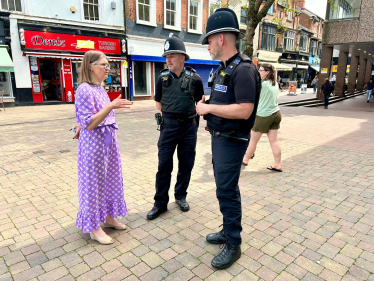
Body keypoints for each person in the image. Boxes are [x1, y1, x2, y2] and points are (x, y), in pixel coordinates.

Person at [196, 8, 261, 270]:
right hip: (221, 139)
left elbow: (245, 109)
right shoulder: (225, 69)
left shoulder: (243, 69)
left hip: (232, 141)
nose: (208, 46)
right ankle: (228, 231)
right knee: (224, 189)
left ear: (221, 39)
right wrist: (211, 102)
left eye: (209, 41)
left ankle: (233, 243)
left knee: (227, 190)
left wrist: (209, 109)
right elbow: (229, 101)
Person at [72, 50, 133, 244]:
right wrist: (111, 106)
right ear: (91, 66)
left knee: (110, 180)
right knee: (93, 185)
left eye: (108, 64)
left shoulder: (99, 88)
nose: (108, 68)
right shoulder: (83, 89)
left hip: (107, 144)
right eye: (103, 64)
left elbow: (88, 120)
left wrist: (80, 125)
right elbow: (90, 122)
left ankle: (107, 217)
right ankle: (94, 228)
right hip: (94, 147)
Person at [146, 35, 204, 220]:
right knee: (164, 165)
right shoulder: (162, 78)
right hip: (168, 128)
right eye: (166, 56)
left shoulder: (195, 79)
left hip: (188, 128)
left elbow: (200, 103)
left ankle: (181, 196)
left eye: (171, 55)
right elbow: (158, 104)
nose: (168, 59)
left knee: (186, 164)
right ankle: (160, 203)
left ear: (182, 57)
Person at [242, 64, 282, 172]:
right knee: (274, 141)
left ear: (267, 72)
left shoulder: (262, 85)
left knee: (253, 140)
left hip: (263, 115)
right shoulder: (274, 84)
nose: (258, 72)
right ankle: (277, 165)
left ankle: (245, 160)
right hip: (276, 114)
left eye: (260, 70)